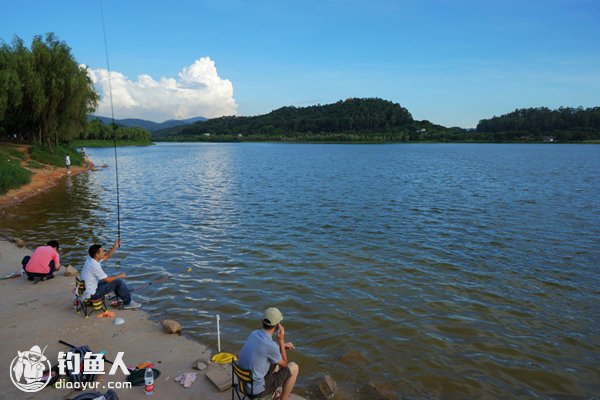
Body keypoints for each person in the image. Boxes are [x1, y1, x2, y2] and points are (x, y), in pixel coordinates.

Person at [238, 307, 299, 400]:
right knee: (294, 367)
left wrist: (282, 347)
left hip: (242, 384)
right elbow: (285, 364)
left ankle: (273, 393)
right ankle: (283, 398)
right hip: (257, 392)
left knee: (274, 363)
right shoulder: (271, 346)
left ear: (261, 321)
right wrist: (281, 340)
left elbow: (263, 351)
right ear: (278, 325)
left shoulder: (253, 334)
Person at [79, 239, 141, 309]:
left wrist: (115, 246)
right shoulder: (94, 265)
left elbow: (106, 256)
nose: (104, 252)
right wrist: (120, 275)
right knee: (118, 281)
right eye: (102, 251)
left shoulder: (90, 258)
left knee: (113, 280)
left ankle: (120, 296)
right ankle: (128, 303)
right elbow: (108, 280)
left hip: (87, 289)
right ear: (97, 255)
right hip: (92, 295)